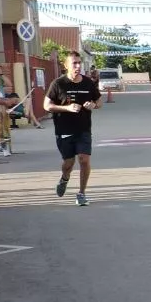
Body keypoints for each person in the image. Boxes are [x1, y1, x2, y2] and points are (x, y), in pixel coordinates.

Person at [43, 52, 102, 206]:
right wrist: (67, 108)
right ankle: (64, 178)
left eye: (78, 63)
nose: (77, 66)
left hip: (83, 129)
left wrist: (93, 105)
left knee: (84, 159)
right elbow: (47, 106)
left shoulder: (88, 83)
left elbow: (99, 101)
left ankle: (82, 193)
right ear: (66, 65)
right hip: (64, 130)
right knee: (68, 163)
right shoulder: (58, 84)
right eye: (74, 63)